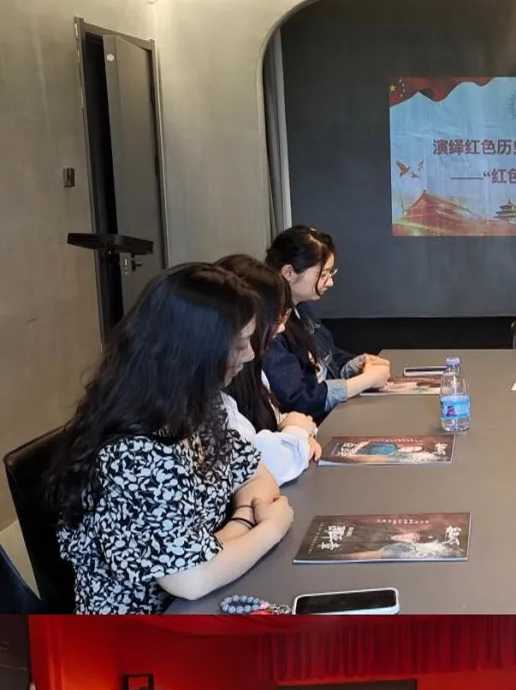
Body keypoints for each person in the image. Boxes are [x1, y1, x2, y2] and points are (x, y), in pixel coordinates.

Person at [49, 264, 294, 614]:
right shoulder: (133, 452)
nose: (251, 354)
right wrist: (269, 528)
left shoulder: (195, 407)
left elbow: (256, 474)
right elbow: (191, 580)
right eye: (240, 344)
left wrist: (235, 525)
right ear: (194, 351)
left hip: (200, 602)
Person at [264, 225, 390, 419]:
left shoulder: (302, 310)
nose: (330, 282)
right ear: (288, 272)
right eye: (323, 275)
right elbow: (297, 399)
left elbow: (328, 358)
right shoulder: (272, 328)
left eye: (331, 274)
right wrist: (364, 381)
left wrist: (358, 364)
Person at [216, 254, 321, 483]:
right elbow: (256, 463)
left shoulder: (251, 371)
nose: (282, 327)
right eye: (276, 318)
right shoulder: (214, 398)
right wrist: (296, 434)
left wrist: (295, 435)